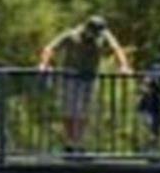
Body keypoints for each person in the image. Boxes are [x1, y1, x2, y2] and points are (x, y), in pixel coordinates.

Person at [37, 15, 133, 151]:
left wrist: (124, 66)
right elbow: (50, 48)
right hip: (70, 76)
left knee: (84, 110)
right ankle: (70, 141)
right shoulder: (72, 35)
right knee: (70, 109)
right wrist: (44, 64)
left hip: (89, 77)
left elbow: (117, 49)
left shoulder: (103, 35)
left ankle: (79, 141)